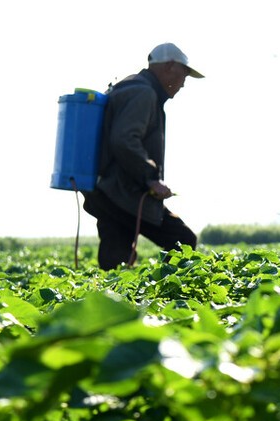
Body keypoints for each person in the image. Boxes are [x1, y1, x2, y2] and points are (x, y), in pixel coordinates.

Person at [83, 43, 204, 270]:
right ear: (169, 66)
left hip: (107, 192)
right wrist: (151, 178)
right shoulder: (144, 93)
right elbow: (124, 140)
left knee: (115, 263)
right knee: (183, 241)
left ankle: (112, 302)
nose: (184, 82)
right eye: (184, 73)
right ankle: (172, 295)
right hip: (124, 194)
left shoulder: (130, 86)